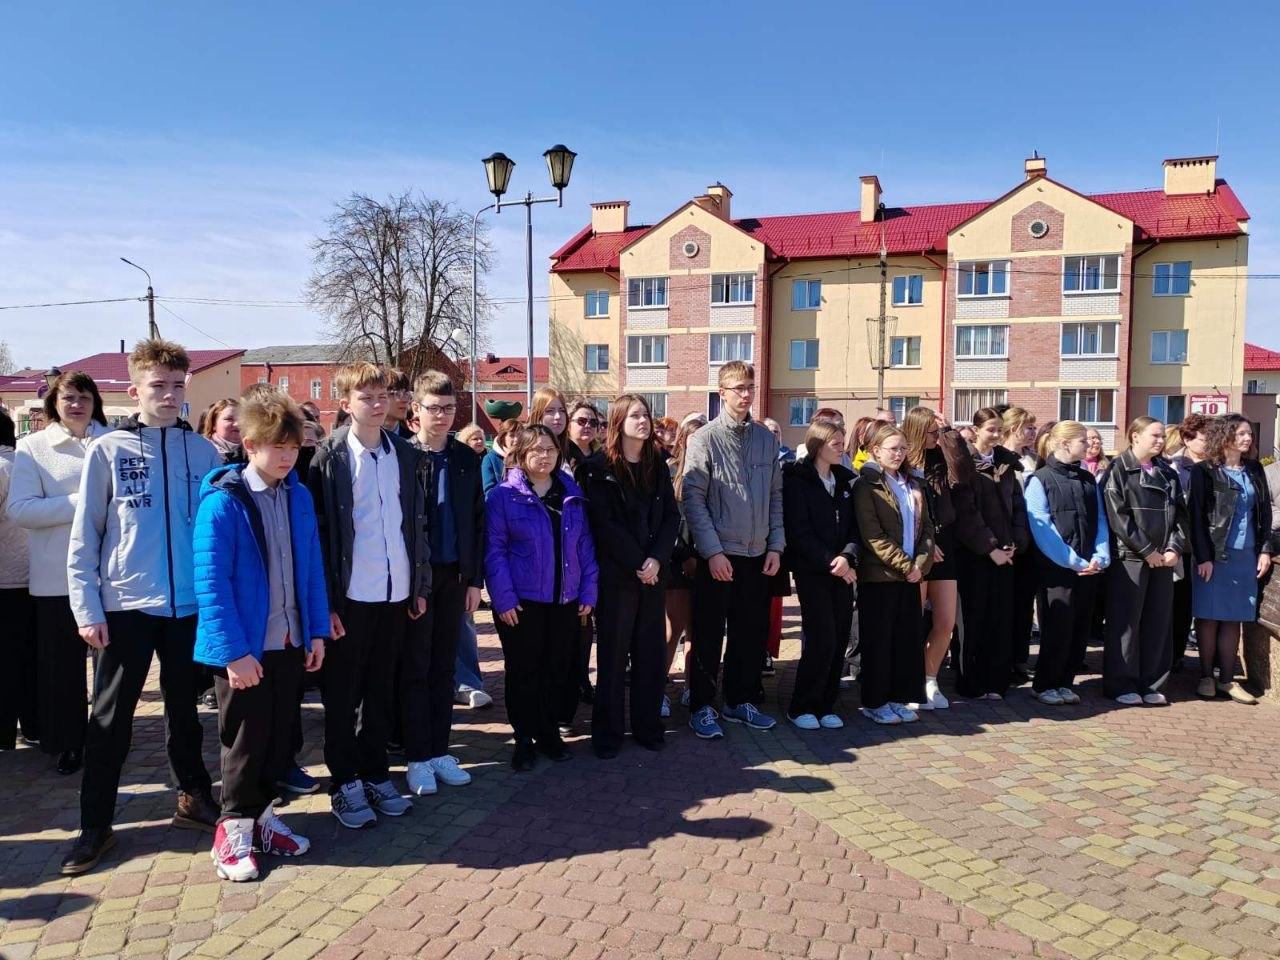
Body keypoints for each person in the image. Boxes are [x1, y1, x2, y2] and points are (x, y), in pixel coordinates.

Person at [61, 340, 223, 875]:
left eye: (177, 385)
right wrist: (87, 608)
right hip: (126, 605)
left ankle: (193, 795)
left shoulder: (204, 453)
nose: (169, 395)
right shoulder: (108, 451)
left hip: (188, 607)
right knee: (110, 719)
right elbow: (85, 535)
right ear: (135, 390)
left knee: (186, 712)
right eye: (158, 385)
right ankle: (95, 825)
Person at [192, 393, 328, 881]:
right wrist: (234, 653)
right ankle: (232, 830)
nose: (287, 455)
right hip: (245, 648)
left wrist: (315, 631)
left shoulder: (298, 495)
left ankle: (264, 818)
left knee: (277, 739)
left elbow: (311, 568)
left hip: (289, 641)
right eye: (277, 446)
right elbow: (211, 582)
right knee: (244, 743)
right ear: (250, 444)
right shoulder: (223, 501)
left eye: (293, 446)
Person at [307, 361, 428, 828]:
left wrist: (418, 586)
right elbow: (320, 535)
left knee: (381, 690)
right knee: (343, 694)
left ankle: (376, 773)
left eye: (383, 396)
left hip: (395, 592)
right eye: (367, 397)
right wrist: (328, 603)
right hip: (351, 596)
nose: (378, 405)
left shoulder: (404, 454)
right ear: (345, 403)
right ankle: (344, 781)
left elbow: (414, 523)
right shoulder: (330, 456)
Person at [7, 372, 110, 774]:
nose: (77, 405)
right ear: (54, 402)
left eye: (84, 397)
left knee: (111, 666)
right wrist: (81, 501)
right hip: (56, 575)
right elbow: (21, 510)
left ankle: (108, 738)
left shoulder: (113, 441)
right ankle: (68, 741)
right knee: (62, 667)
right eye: (68, 397)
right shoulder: (33, 447)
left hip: (110, 573)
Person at [485, 425, 598, 771]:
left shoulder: (571, 493)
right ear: (521, 454)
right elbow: (494, 550)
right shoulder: (504, 496)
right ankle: (523, 738)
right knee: (523, 671)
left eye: (550, 449)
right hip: (522, 603)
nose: (544, 456)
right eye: (536, 450)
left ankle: (548, 733)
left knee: (556, 670)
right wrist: (503, 599)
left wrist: (588, 590)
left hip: (565, 600)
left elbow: (585, 546)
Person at [682, 361, 784, 739]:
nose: (746, 394)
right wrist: (712, 552)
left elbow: (776, 496)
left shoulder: (765, 440)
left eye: (750, 387)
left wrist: (776, 545)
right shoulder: (704, 439)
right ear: (721, 392)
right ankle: (702, 707)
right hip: (719, 556)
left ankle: (740, 701)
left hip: (758, 555)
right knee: (708, 636)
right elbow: (693, 500)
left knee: (750, 636)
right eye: (738, 387)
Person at [579, 395, 678, 758]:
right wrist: (640, 563)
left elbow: (671, 516)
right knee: (614, 655)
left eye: (646, 414)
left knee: (650, 654)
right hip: (618, 576)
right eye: (635, 415)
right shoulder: (598, 467)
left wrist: (657, 559)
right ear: (619, 422)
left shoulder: (658, 464)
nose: (643, 420)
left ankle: (647, 727)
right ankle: (608, 734)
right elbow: (604, 524)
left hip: (653, 575)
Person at [400, 371, 485, 795]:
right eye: (434, 408)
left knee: (444, 667)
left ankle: (438, 751)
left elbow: (476, 521)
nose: (443, 416)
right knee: (416, 667)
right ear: (416, 410)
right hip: (416, 578)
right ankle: (416, 757)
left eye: (449, 408)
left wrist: (474, 580)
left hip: (454, 575)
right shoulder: (401, 456)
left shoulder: (465, 457)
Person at [1101, 417, 1189, 705]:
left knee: (1158, 622)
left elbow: (1180, 516)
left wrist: (1174, 548)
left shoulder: (1168, 473)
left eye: (1163, 436)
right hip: (1130, 558)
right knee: (1126, 623)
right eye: (1154, 435)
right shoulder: (1117, 469)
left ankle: (1152, 684)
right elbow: (1118, 516)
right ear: (1135, 436)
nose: (1161, 441)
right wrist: (1147, 550)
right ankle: (1121, 684)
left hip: (1163, 561)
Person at [1189, 414, 1274, 704]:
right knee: (1209, 615)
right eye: (1241, 433)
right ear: (1225, 436)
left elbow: (1264, 512)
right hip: (1214, 555)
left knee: (1233, 618)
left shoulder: (1254, 469)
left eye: (1249, 434)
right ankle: (1206, 677)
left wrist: (1265, 550)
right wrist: (1204, 556)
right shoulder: (1204, 471)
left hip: (1246, 555)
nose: (1247, 438)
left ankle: (1227, 680)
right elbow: (1196, 518)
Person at [853, 424, 935, 724]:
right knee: (880, 641)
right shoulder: (866, 486)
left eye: (903, 448)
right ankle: (875, 701)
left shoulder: (913, 484)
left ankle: (898, 698)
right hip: (881, 577)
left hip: (910, 576)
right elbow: (872, 535)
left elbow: (926, 528)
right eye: (892, 449)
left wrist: (921, 564)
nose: (899, 454)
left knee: (905, 640)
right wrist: (906, 565)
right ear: (876, 450)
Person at [1024, 421, 1110, 705]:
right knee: (1057, 628)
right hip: (1056, 569)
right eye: (1083, 441)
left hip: (1089, 567)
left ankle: (1064, 682)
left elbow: (1099, 519)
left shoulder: (1087, 478)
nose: (1089, 445)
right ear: (1064, 443)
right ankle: (1044, 684)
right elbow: (1042, 528)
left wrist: (1100, 555)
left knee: (1079, 629)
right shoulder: (1040, 479)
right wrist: (1072, 560)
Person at [783, 419, 857, 729]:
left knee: (839, 637)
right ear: (818, 445)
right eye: (835, 443)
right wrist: (832, 562)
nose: (842, 448)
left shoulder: (845, 481)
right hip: (813, 571)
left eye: (843, 442)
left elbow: (855, 528)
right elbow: (799, 530)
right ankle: (802, 706)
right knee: (821, 638)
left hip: (843, 570)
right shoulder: (797, 479)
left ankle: (826, 704)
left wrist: (848, 556)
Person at [951, 407, 1029, 701]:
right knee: (974, 621)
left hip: (1006, 553)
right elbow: (966, 511)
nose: (996, 435)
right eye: (990, 429)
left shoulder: (1007, 463)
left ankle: (996, 682)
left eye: (1000, 430)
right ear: (975, 430)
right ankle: (971, 683)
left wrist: (1016, 541)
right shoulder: (964, 463)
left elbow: (1017, 505)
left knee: (1000, 619)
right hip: (975, 555)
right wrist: (989, 547)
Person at [903, 407, 958, 710]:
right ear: (918, 430)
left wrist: (949, 434)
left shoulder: (941, 459)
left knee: (946, 621)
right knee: (913, 622)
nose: (937, 436)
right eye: (933, 432)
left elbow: (963, 473)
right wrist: (924, 544)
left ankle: (929, 679)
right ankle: (910, 681)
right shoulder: (903, 464)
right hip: (917, 549)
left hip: (945, 545)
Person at [665, 414, 706, 715]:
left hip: (707, 560)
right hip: (676, 562)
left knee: (698, 630)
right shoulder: (670, 472)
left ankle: (693, 687)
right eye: (694, 440)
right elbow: (668, 523)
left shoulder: (712, 473)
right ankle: (657, 689)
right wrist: (684, 557)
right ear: (683, 441)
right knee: (671, 630)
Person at [451, 422, 494, 709]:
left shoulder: (469, 462)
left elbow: (477, 520)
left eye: (481, 438)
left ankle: (467, 682)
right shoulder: (409, 453)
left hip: (460, 563)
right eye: (474, 438)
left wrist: (475, 580)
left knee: (464, 621)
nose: (479, 442)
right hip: (424, 563)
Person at [0, 411, 36, 752]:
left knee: (6, 659)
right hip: (32, 574)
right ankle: (35, 724)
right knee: (28, 656)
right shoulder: (24, 464)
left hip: (5, 577)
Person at [1168, 414, 1211, 672]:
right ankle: (1173, 655)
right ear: (1187, 438)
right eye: (1205, 439)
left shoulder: (1215, 466)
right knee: (1179, 604)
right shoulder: (1173, 467)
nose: (1209, 444)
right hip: (1181, 547)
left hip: (1209, 548)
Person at [1001, 407, 1039, 682]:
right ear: (1014, 428)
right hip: (1007, 540)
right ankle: (1003, 657)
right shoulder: (1001, 458)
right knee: (1006, 604)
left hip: (1031, 540)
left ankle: (1019, 658)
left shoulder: (1034, 459)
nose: (1033, 432)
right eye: (1028, 427)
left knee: (1025, 604)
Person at [482, 418, 521, 496]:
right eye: (512, 435)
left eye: (520, 435)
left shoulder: (526, 457)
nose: (516, 439)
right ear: (503, 437)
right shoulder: (490, 459)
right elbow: (489, 492)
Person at [529, 387, 570, 461]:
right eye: (550, 411)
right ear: (537, 414)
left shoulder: (572, 451)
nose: (558, 416)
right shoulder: (526, 451)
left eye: (562, 410)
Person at [201, 398, 245, 464]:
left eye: (241, 419)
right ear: (213, 424)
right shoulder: (201, 449)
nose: (237, 424)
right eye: (229, 419)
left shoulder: (254, 451)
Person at [564, 400, 601, 469]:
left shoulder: (605, 455)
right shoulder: (560, 455)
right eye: (582, 421)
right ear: (568, 425)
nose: (588, 425)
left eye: (593, 422)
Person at [383, 367, 416, 439]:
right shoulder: (364, 438)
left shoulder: (412, 439)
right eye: (397, 394)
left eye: (406, 393)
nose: (405, 400)